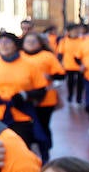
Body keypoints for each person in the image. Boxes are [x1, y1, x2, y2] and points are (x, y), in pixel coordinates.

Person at [0, 31, 50, 154]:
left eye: (7, 42)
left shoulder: (30, 65)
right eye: (0, 43)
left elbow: (41, 90)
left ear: (16, 45)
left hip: (21, 114)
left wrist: (25, 95)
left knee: (20, 151)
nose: (3, 45)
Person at [20, 31, 64, 161]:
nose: (31, 44)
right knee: (29, 127)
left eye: (34, 41)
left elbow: (61, 74)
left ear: (40, 43)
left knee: (43, 125)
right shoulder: (19, 56)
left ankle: (45, 151)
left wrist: (50, 76)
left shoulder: (47, 56)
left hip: (46, 99)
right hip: (26, 98)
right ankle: (32, 152)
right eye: (28, 42)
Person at [58, 23, 86, 105]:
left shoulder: (82, 40)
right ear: (69, 32)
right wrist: (59, 63)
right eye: (74, 30)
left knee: (80, 83)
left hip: (80, 65)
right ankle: (70, 96)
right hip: (69, 65)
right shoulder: (63, 41)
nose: (76, 32)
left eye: (77, 30)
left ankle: (79, 98)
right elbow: (60, 53)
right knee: (70, 82)